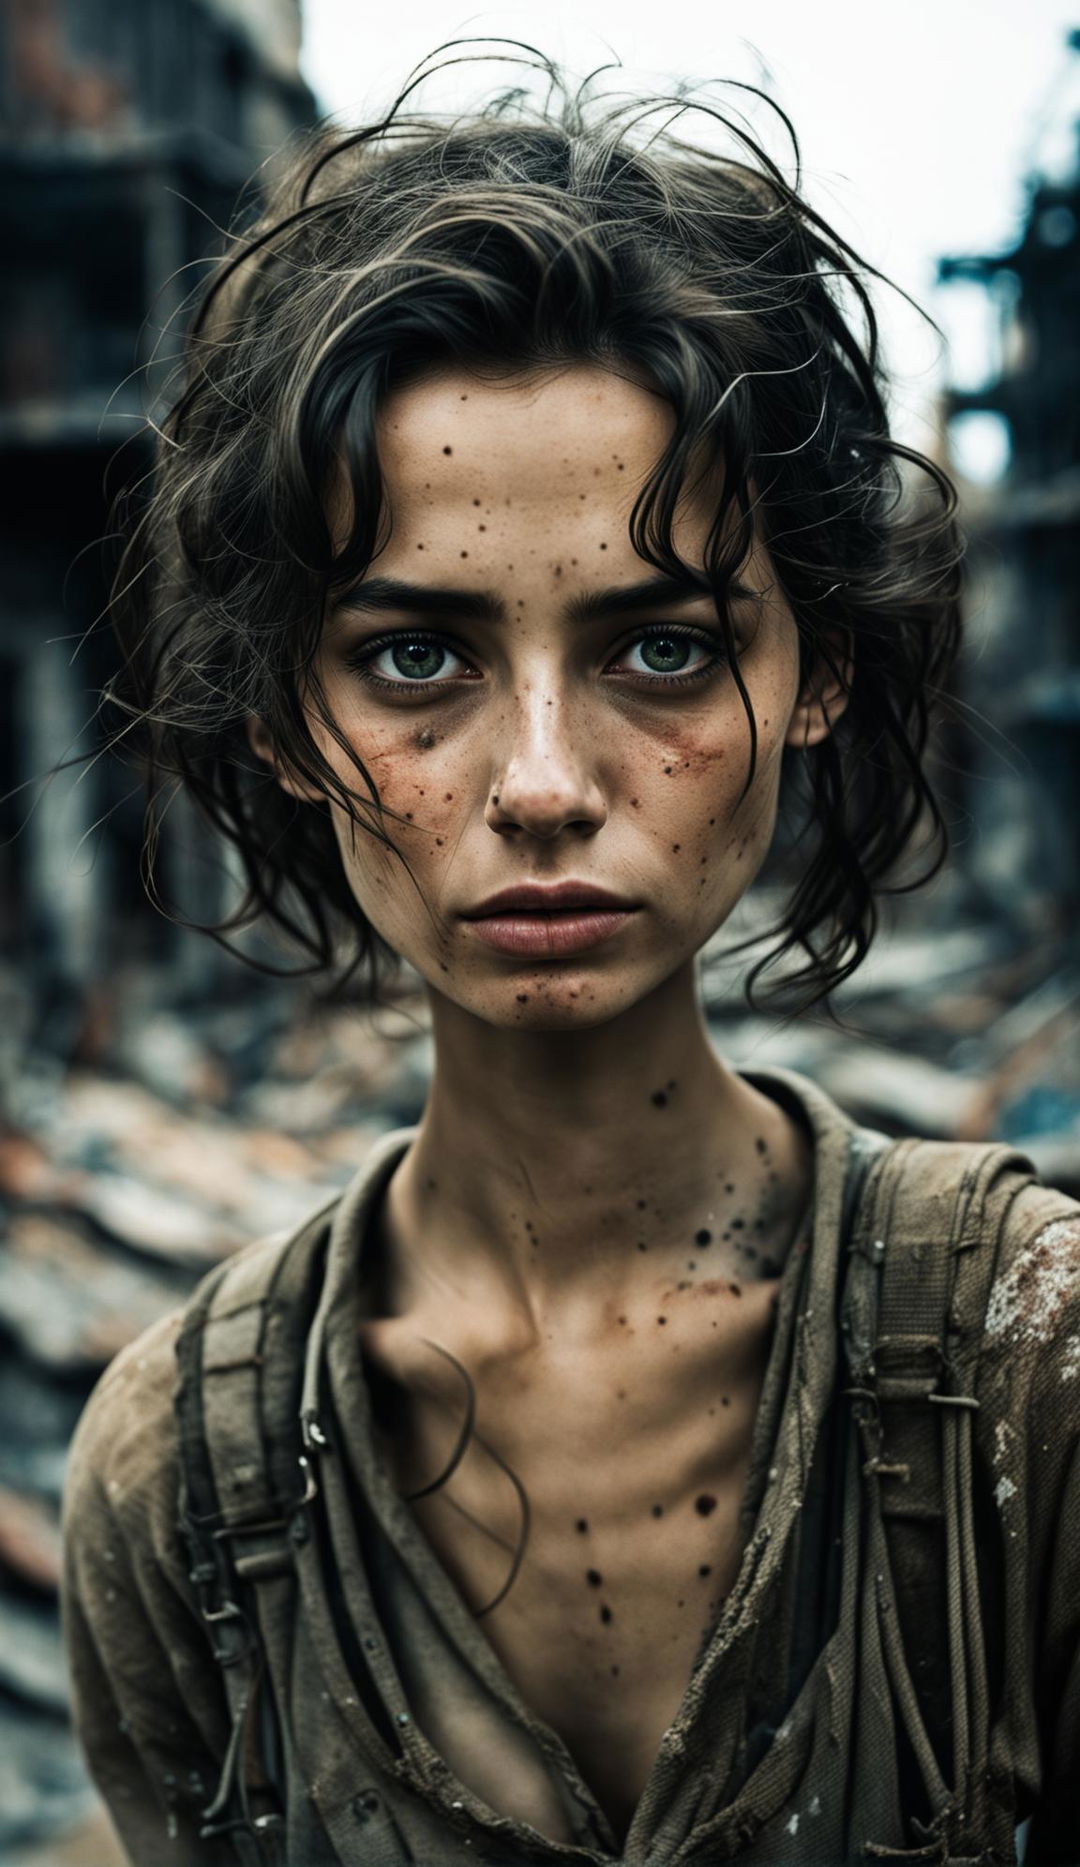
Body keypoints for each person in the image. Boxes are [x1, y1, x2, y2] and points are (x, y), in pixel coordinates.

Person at [60, 44, 1080, 1867]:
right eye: (420, 660)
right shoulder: (178, 1490)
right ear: (290, 711)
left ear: (816, 669)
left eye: (662, 651)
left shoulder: (1038, 1372)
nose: (542, 785)